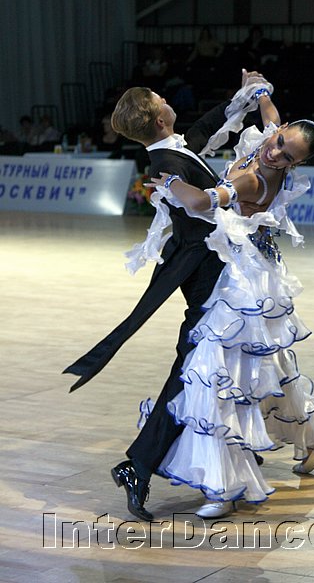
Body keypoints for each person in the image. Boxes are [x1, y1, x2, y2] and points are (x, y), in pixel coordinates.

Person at [63, 71, 274, 521]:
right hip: (206, 277)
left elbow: (206, 128)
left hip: (216, 271)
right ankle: (141, 464)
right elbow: (201, 204)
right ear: (159, 118)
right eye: (161, 98)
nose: (167, 97)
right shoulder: (165, 165)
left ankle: (227, 450)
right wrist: (235, 192)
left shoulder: (171, 150)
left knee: (214, 368)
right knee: (194, 373)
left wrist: (245, 95)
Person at [142, 93, 314, 518]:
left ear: (296, 164)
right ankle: (313, 439)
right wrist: (260, 92)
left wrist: (170, 182)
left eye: (286, 156)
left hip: (241, 281)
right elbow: (270, 116)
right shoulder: (270, 137)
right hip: (239, 269)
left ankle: (225, 484)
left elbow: (200, 203)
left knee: (220, 377)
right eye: (279, 141)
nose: (274, 152)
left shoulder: (254, 181)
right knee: (267, 368)